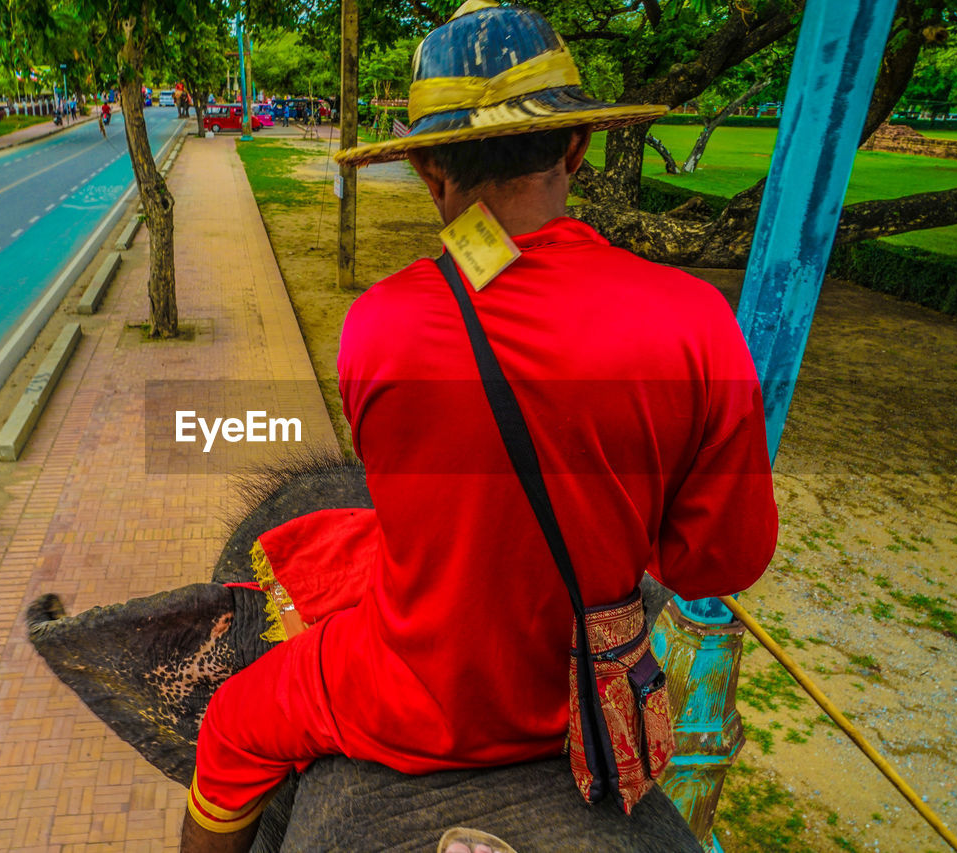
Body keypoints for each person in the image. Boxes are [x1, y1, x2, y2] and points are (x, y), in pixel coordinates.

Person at [181, 2, 778, 851]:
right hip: (582, 693)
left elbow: (475, 295)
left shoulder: (378, 326)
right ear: (575, 147)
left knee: (231, 728)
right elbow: (722, 560)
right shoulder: (697, 320)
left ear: (428, 169)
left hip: (408, 692)